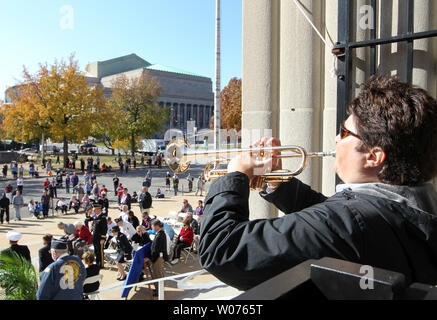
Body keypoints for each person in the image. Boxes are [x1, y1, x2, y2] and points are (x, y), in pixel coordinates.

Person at [199, 76, 437, 291]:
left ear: (373, 156)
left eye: (344, 133)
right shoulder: (413, 205)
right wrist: (275, 181)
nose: (335, 139)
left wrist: (235, 175)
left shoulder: (351, 223)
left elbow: (223, 251)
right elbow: (332, 219)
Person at [144, 220, 168, 297]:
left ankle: (159, 291)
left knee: (158, 274)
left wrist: (150, 258)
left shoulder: (160, 235)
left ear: (157, 226)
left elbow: (156, 249)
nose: (152, 227)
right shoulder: (159, 234)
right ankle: (158, 289)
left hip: (158, 257)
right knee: (156, 274)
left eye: (153, 226)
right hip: (157, 257)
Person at [87, 204, 107, 269]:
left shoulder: (103, 218)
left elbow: (104, 229)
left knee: (100, 251)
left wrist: (103, 238)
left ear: (99, 210)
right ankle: (97, 263)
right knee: (96, 251)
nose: (94, 211)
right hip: (95, 237)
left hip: (100, 237)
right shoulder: (96, 217)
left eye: (95, 210)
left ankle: (101, 264)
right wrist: (88, 214)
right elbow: (89, 219)